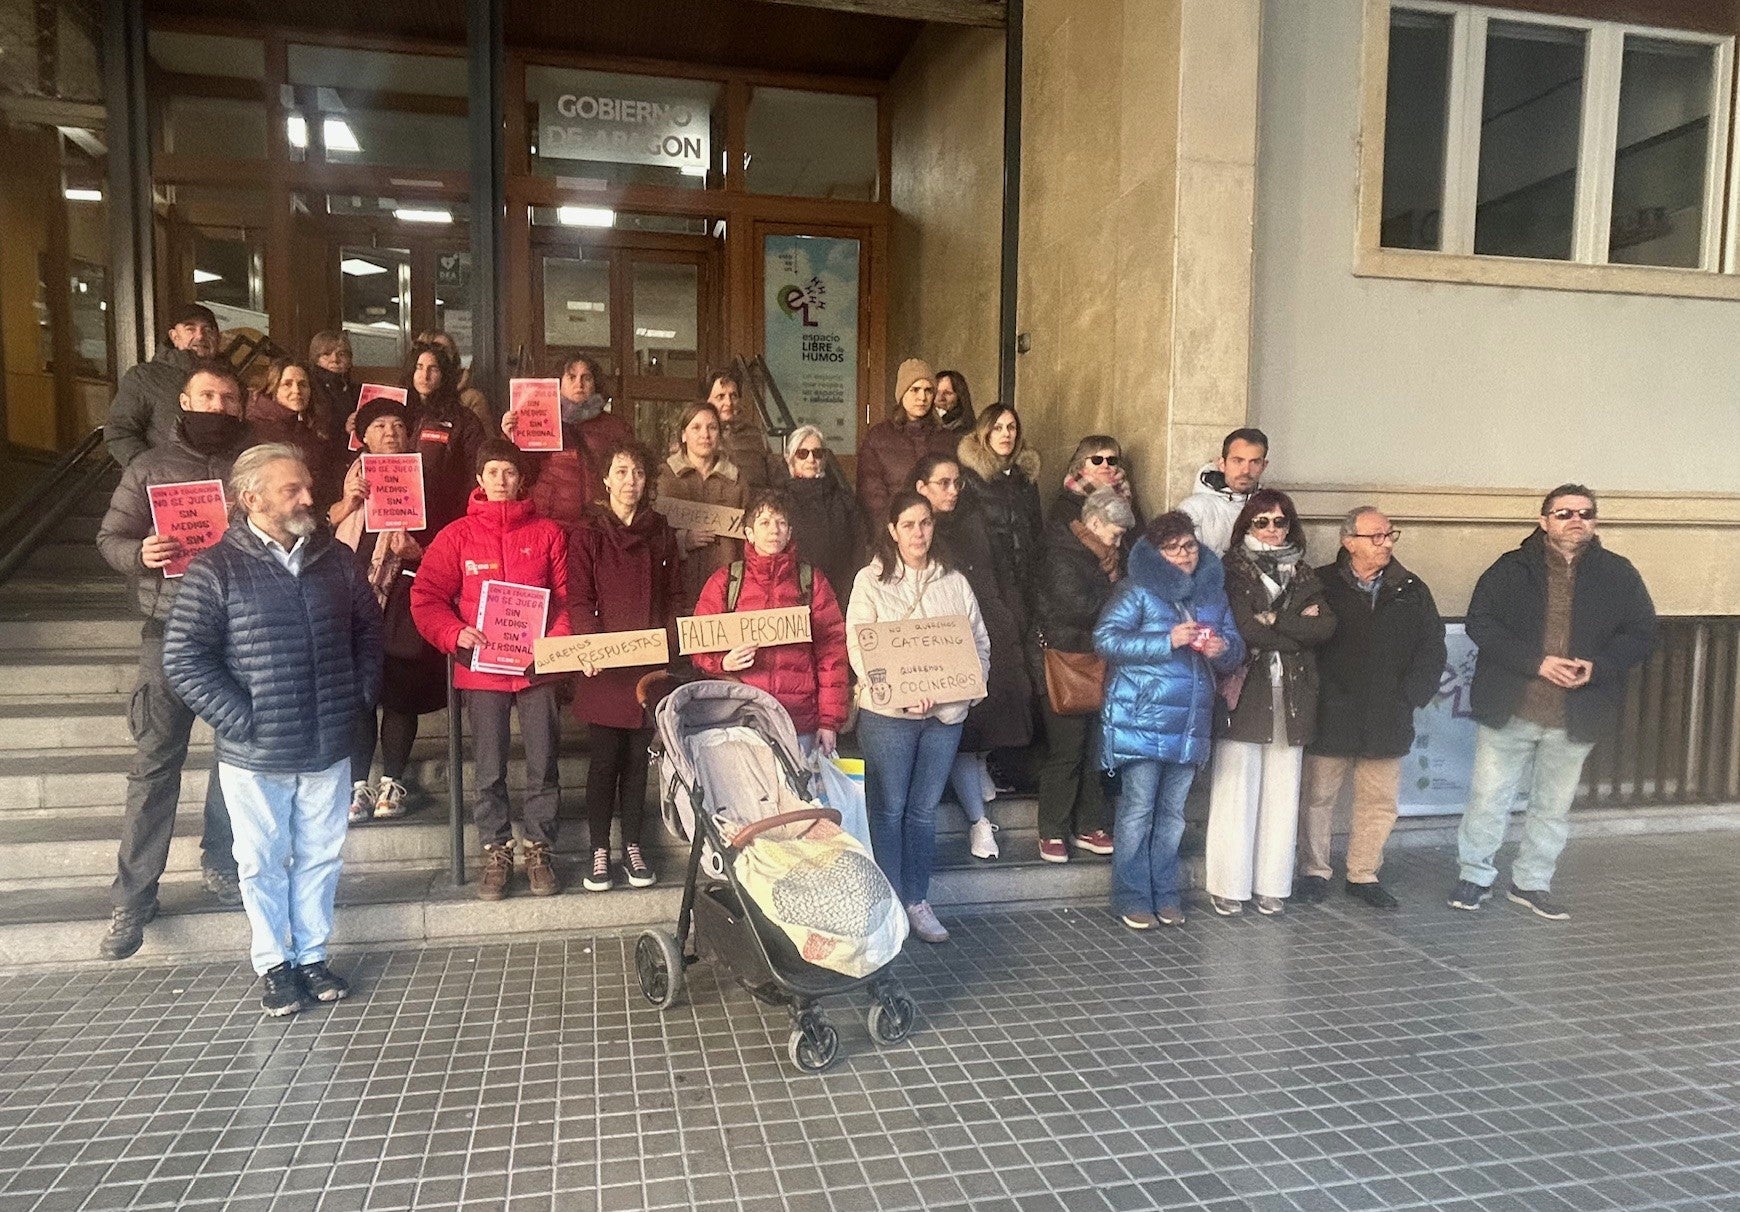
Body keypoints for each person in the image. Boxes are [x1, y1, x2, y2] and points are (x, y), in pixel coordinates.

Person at [162, 444, 384, 1016]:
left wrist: (358, 695)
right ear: (251, 498)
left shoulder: (336, 560)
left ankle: (311, 954)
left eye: (308, 485)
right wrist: (243, 720)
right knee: (260, 860)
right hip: (254, 751)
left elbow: (369, 633)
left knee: (321, 856)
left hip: (328, 739)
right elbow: (185, 658)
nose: (310, 498)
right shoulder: (217, 569)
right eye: (293, 489)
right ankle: (275, 964)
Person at [93, 360, 252, 960]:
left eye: (228, 397)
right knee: (155, 764)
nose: (217, 405)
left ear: (240, 406)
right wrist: (141, 552)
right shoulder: (149, 466)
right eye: (206, 395)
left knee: (235, 759)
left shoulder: (253, 466)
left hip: (238, 632)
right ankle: (133, 897)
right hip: (170, 631)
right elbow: (109, 538)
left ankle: (222, 862)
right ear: (184, 400)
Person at [1450, 485, 1656, 920]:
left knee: (1552, 807)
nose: (1575, 520)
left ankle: (1531, 882)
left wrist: (1597, 666)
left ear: (1595, 521)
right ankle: (1475, 876)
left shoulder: (1618, 573)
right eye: (1563, 513)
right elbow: (1480, 623)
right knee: (1489, 798)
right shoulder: (1510, 569)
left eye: (1585, 513)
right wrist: (1536, 663)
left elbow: (1641, 633)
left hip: (1575, 712)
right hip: (1513, 706)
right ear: (1544, 521)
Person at [410, 440, 572, 900]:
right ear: (479, 480)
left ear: (522, 479)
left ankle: (539, 847)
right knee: (489, 769)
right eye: (493, 472)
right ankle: (496, 848)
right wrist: (453, 632)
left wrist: (553, 646)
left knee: (543, 762)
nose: (501, 481)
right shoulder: (456, 535)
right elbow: (425, 598)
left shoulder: (548, 533)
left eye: (510, 473)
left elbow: (566, 600)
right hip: (481, 672)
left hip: (537, 668)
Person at [846, 492, 990, 944]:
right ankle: (890, 902)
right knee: (888, 809)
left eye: (925, 523)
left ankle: (917, 900)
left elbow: (979, 645)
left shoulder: (955, 582)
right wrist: (899, 693)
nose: (918, 533)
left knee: (923, 811)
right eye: (907, 524)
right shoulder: (870, 582)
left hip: (945, 716)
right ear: (892, 530)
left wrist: (959, 693)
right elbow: (860, 646)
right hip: (889, 715)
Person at [1096, 512, 1243, 929]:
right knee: (1138, 809)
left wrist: (1221, 648)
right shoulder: (1137, 590)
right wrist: (1167, 639)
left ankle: (1165, 892)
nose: (1184, 555)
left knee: (1173, 813)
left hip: (1191, 718)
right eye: (1173, 548)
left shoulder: (1213, 594)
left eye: (1190, 546)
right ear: (1156, 554)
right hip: (1142, 715)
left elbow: (1235, 647)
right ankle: (1131, 895)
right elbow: (1105, 639)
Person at [1297, 508, 1446, 910]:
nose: (1386, 543)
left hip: (1388, 713)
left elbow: (1432, 647)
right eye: (1376, 536)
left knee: (1379, 801)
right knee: (1317, 798)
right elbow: (1302, 640)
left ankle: (1363, 873)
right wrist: (1316, 692)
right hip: (1332, 710)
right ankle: (1314, 870)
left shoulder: (1411, 588)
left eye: (1389, 535)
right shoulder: (1321, 583)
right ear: (1349, 541)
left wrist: (1411, 695)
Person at [1205, 490, 1336, 917]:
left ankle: (1273, 883)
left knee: (1284, 791)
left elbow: (1326, 629)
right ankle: (1228, 884)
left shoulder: (1303, 572)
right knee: (1236, 790)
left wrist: (1278, 620)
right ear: (1246, 526)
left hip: (1294, 692)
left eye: (1280, 521)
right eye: (1262, 521)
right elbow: (1245, 629)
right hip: (1247, 689)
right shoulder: (1231, 571)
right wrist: (1298, 628)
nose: (1272, 529)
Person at [568, 440, 683, 893]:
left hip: (647, 664)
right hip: (603, 666)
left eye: (637, 473)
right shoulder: (588, 534)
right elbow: (579, 597)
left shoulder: (662, 533)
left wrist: (669, 643)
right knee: (603, 762)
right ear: (606, 480)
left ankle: (632, 844)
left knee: (638, 761)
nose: (630, 481)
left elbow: (674, 596)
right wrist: (589, 646)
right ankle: (600, 848)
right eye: (621, 471)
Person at [328, 396, 448, 824]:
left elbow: (448, 541)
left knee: (400, 691)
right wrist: (347, 502)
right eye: (379, 426)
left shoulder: (427, 480)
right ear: (364, 435)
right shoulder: (345, 477)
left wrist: (420, 551)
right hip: (353, 596)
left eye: (398, 425)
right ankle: (358, 784)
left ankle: (392, 780)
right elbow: (313, 528)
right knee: (359, 695)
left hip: (403, 594)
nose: (391, 433)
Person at [915, 453, 1032, 860]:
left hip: (982, 623)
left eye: (957, 483)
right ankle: (978, 819)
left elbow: (997, 570)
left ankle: (980, 814)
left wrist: (1007, 615)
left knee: (976, 723)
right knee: (956, 733)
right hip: (934, 646)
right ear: (921, 488)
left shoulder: (973, 519)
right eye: (943, 483)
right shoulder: (916, 532)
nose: (953, 491)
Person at [691, 488, 849, 754]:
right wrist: (722, 662)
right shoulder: (726, 581)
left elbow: (832, 654)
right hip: (742, 720)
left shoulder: (811, 582)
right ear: (749, 533)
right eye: (764, 522)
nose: (774, 530)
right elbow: (699, 643)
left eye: (781, 522)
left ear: (789, 532)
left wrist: (829, 721)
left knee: (798, 796)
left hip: (800, 722)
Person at [1035, 488, 1134, 863]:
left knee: (1095, 746)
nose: (1119, 542)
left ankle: (1089, 824)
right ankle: (1052, 829)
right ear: (1093, 523)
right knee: (1068, 750)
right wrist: (1119, 599)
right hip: (1067, 662)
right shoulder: (1060, 554)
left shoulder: (1101, 557)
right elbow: (1074, 607)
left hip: (1096, 660)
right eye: (1115, 533)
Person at [504, 354, 634, 532]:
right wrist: (510, 436)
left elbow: (631, 469)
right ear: (558, 382)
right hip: (549, 523)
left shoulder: (616, 428)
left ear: (595, 383)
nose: (579, 384)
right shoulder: (538, 417)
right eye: (571, 377)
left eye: (586, 377)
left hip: (601, 524)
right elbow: (519, 469)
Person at [957, 404, 1045, 621]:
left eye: (1011, 427)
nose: (1006, 434)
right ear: (984, 433)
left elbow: (1036, 528)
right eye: (997, 428)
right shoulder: (970, 478)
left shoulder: (1025, 478)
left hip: (1025, 580)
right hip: (988, 581)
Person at [104, 303, 221, 466]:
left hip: (220, 484)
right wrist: (150, 470)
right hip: (165, 485)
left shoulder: (232, 381)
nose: (200, 336)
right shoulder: (144, 377)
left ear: (218, 338)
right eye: (190, 329)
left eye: (208, 329)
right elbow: (120, 431)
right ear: (174, 336)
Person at [659, 401, 747, 610]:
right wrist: (682, 540)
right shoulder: (663, 477)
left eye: (712, 427)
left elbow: (749, 538)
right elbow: (652, 534)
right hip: (676, 588)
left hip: (727, 590)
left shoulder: (737, 480)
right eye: (696, 427)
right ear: (683, 435)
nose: (705, 435)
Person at [856, 358, 958, 526]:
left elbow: (956, 489)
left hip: (942, 533)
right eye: (915, 390)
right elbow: (872, 497)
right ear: (902, 393)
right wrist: (895, 530)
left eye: (928, 390)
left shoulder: (946, 438)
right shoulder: (879, 437)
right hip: (896, 532)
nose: (922, 397)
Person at [404, 339, 489, 535]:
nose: (425, 375)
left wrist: (464, 518)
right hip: (401, 515)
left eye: (433, 369)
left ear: (444, 376)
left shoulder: (463, 419)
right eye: (419, 367)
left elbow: (475, 472)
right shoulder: (397, 412)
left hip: (445, 519)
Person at [780, 424, 862, 613]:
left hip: (839, 593)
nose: (811, 459)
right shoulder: (779, 501)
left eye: (817, 453)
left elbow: (858, 547)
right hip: (792, 595)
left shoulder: (844, 499)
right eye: (802, 453)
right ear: (789, 458)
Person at [246, 357, 338, 508]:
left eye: (303, 384)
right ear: (272, 389)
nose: (296, 391)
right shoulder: (255, 427)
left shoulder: (308, 426)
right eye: (287, 384)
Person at [1179, 427, 1269, 557]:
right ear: (1222, 464)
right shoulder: (1193, 509)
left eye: (1254, 462)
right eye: (1238, 461)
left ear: (1264, 466)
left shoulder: (1273, 508)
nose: (1245, 470)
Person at [1048, 435, 1143, 536]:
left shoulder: (1125, 496)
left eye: (1111, 460)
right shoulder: (1068, 504)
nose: (1105, 465)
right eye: (1097, 460)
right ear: (1081, 463)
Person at [705, 369, 775, 488]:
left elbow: (772, 477)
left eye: (733, 396)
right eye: (720, 397)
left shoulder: (755, 435)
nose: (729, 402)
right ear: (707, 401)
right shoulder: (699, 435)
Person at [307, 330, 361, 472]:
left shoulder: (356, 390)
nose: (334, 359)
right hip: (322, 463)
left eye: (341, 354)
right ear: (316, 358)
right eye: (326, 354)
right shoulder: (308, 387)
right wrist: (344, 430)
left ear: (350, 360)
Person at [414, 329, 490, 427]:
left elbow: (486, 440)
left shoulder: (471, 399)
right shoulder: (408, 397)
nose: (433, 357)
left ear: (454, 357)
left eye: (443, 351)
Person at [933, 369, 977, 434]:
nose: (940, 398)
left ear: (959, 396)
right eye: (936, 392)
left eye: (947, 393)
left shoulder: (967, 431)